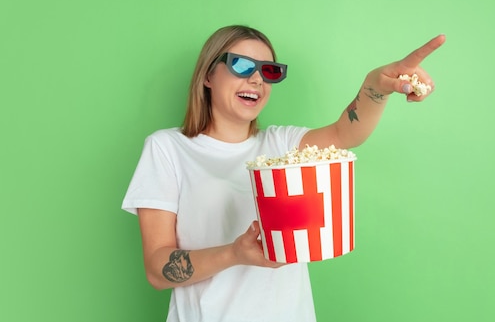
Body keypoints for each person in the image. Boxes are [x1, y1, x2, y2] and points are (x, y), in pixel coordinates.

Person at [122, 25, 444, 322]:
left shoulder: (281, 145)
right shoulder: (167, 149)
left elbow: (346, 134)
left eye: (269, 71)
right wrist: (235, 253)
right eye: (242, 65)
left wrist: (375, 87)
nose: (257, 80)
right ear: (208, 75)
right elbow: (156, 269)